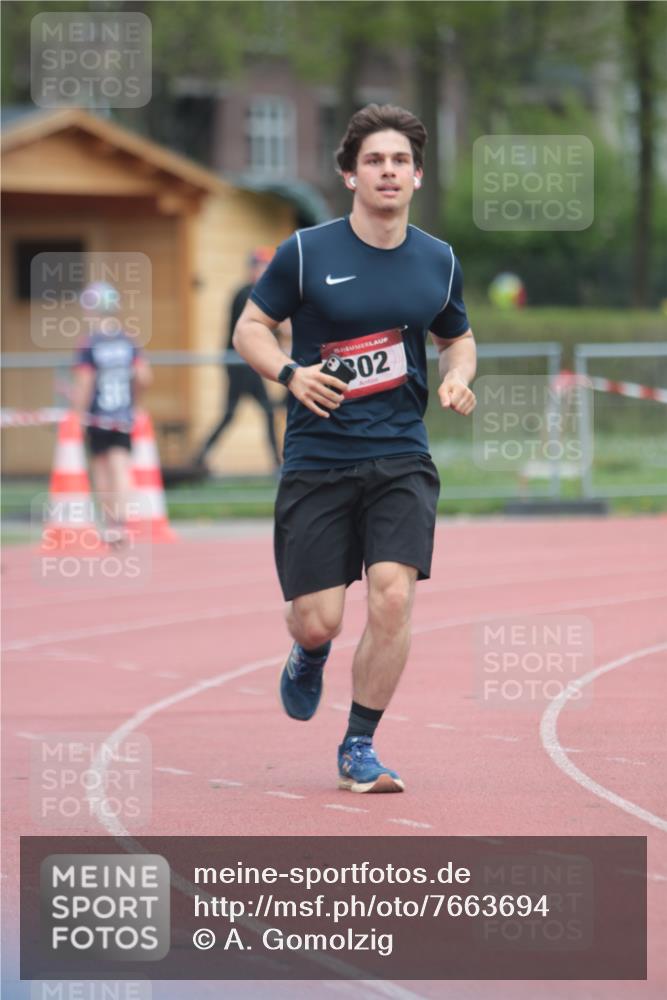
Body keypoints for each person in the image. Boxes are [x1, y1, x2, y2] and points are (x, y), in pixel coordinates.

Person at [233, 104, 477, 793]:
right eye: (374, 160)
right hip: (318, 458)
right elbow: (250, 327)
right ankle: (307, 654)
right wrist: (288, 371)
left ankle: (359, 745)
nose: (388, 171)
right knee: (319, 621)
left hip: (400, 453)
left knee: (393, 596)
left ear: (418, 175)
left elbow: (455, 335)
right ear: (349, 174)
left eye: (399, 160)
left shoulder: (438, 259)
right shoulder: (306, 252)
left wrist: (458, 374)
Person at [72, 280, 152, 544]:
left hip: (98, 414)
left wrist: (78, 413)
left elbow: (85, 382)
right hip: (122, 414)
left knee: (101, 469)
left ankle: (110, 523)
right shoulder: (127, 340)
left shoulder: (90, 343)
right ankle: (121, 521)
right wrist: (133, 402)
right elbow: (143, 376)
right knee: (121, 466)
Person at [193, 248, 282, 472]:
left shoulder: (259, 293)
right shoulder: (247, 294)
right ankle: (277, 463)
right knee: (239, 413)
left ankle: (277, 463)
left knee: (257, 412)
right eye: (260, 266)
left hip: (248, 362)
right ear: (252, 269)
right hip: (240, 362)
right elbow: (254, 330)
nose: (263, 271)